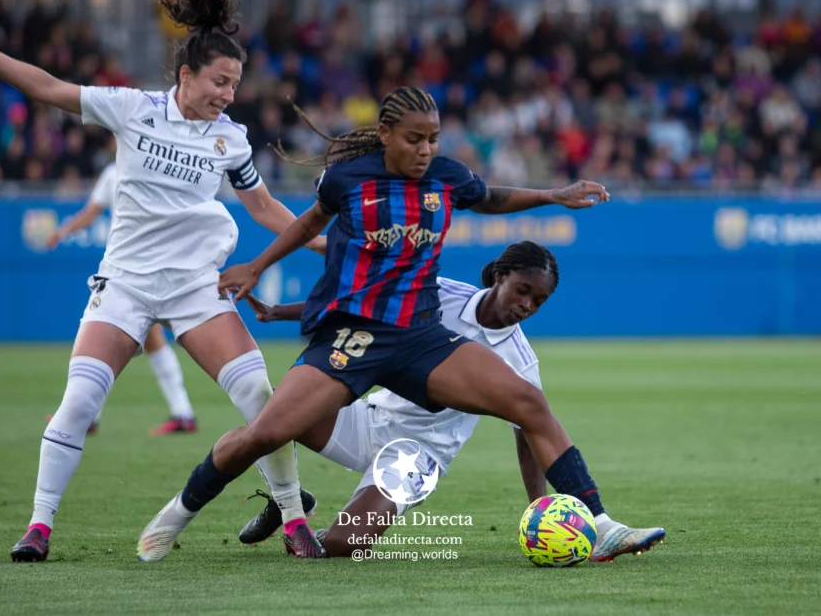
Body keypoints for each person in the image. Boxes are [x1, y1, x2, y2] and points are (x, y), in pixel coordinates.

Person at [0, 0, 324, 562]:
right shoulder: (130, 108)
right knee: (80, 401)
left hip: (197, 286)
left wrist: (331, 244)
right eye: (219, 82)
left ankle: (295, 520)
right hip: (127, 286)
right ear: (187, 74)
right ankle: (39, 527)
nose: (227, 95)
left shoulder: (233, 140)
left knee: (260, 398)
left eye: (234, 86)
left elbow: (267, 209)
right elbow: (48, 88)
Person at [136, 85, 616, 562]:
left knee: (528, 401)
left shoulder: (447, 178)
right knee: (265, 431)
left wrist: (555, 194)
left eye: (433, 138)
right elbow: (308, 225)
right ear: (385, 134)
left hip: (419, 339)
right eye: (414, 138)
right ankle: (180, 512)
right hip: (356, 336)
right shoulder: (347, 179)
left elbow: (490, 197)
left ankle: (602, 525)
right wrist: (257, 267)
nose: (425, 150)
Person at [140, 241, 665, 561]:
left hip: (418, 457)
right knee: (271, 419)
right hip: (366, 419)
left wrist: (539, 507)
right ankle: (285, 501)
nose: (527, 305)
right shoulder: (441, 293)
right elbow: (364, 303)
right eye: (523, 290)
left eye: (539, 301)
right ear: (500, 275)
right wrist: (280, 313)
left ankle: (302, 520)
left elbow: (529, 434)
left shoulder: (521, 362)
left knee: (344, 549)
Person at [46, 162, 198, 436]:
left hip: (132, 271)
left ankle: (87, 416)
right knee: (151, 344)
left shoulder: (134, 169)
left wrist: (62, 231)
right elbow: (91, 214)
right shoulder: (130, 170)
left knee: (111, 341)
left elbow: (91, 214)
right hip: (145, 269)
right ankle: (183, 413)